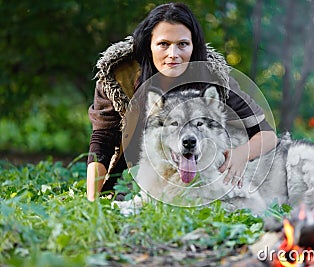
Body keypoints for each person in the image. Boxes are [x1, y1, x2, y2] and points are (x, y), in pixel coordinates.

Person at [87, 2, 277, 201]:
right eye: (163, 44)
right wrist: (92, 201)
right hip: (132, 178)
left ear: (194, 46)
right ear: (148, 45)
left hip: (203, 180)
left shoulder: (216, 79)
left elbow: (267, 135)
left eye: (182, 44)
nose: (173, 54)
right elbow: (102, 141)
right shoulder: (118, 77)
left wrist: (241, 154)